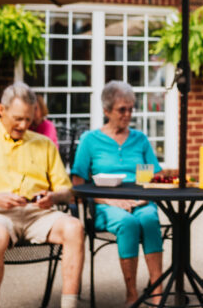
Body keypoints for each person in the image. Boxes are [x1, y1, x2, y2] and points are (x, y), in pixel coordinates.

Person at [0, 82, 84, 308]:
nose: (23, 125)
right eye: (18, 118)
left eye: (29, 120)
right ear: (2, 110)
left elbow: (67, 191)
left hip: (38, 214)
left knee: (74, 228)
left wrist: (53, 197)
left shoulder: (45, 144)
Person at [71, 80, 163, 308]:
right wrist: (108, 200)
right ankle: (132, 294)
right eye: (122, 109)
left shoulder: (139, 139)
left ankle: (158, 292)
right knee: (127, 223)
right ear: (106, 110)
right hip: (105, 204)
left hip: (140, 199)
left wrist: (143, 196)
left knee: (149, 219)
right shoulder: (90, 140)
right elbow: (78, 183)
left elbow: (151, 176)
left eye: (131, 109)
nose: (128, 114)